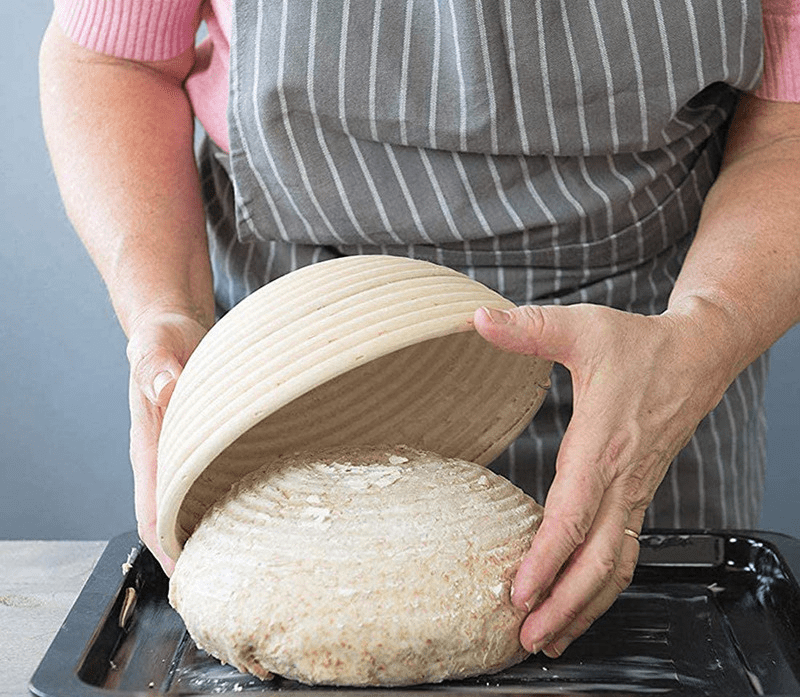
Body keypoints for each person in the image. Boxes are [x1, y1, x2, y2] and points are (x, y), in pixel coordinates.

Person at [40, 0, 800, 659]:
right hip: (295, 361)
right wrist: (163, 312)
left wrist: (705, 330)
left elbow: (786, 131)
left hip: (643, 344)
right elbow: (115, 60)